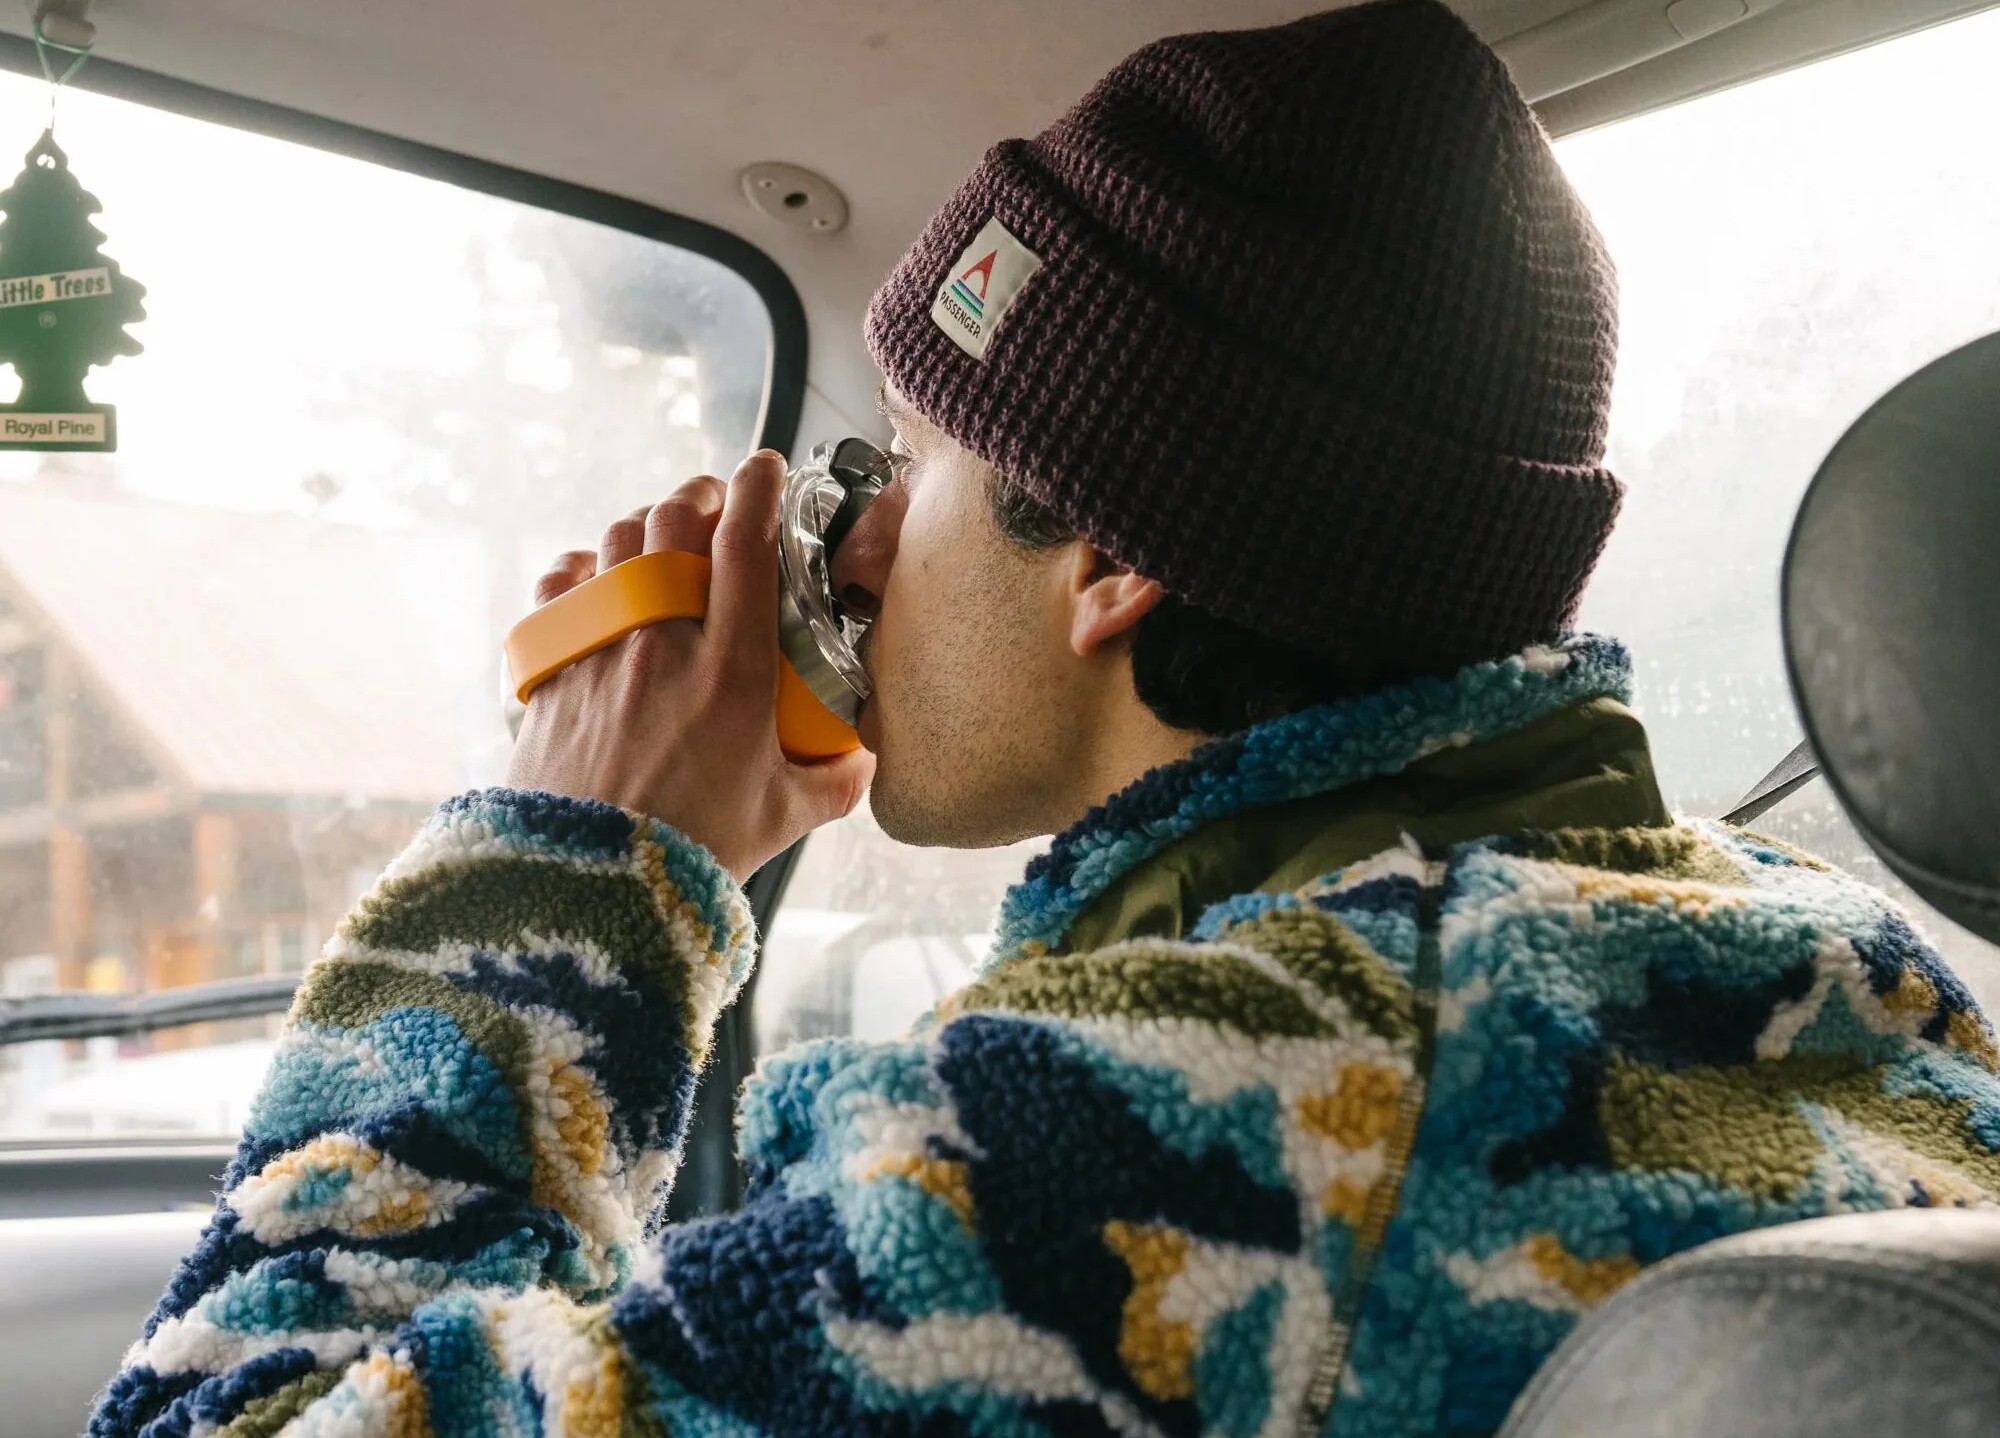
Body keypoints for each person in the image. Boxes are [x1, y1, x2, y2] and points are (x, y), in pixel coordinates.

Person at [92, 3, 2000, 1436]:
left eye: (905, 467)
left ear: (1112, 560)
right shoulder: (1852, 976)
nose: (858, 548)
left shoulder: (1168, 1129)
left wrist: (572, 866)